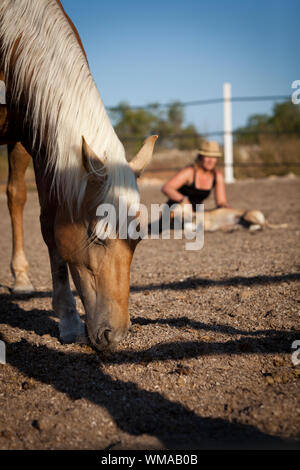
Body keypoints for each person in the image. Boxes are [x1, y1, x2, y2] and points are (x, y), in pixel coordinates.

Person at [161, 140, 229, 211]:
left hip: (195, 214)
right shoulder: (190, 172)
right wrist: (183, 200)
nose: (211, 160)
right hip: (176, 211)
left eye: (214, 157)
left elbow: (221, 202)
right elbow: (167, 187)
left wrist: (227, 208)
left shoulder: (217, 176)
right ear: (201, 157)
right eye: (207, 156)